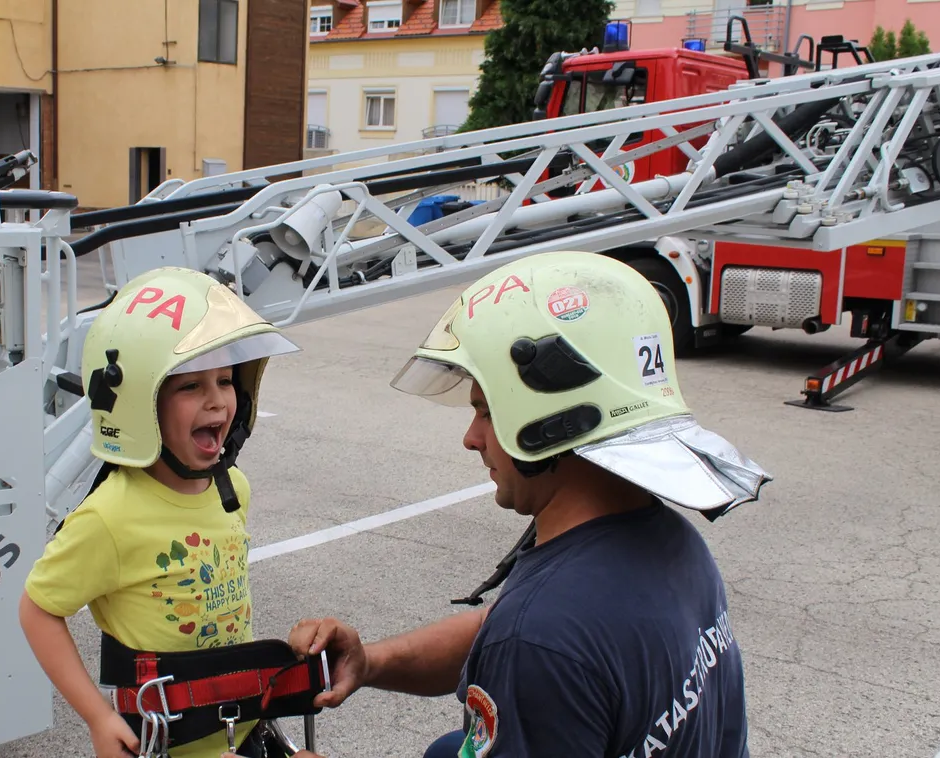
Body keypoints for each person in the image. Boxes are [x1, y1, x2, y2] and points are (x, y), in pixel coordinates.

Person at [281, 251, 771, 758]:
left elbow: (529, 640)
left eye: (487, 411)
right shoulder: (669, 539)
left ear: (554, 419)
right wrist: (372, 662)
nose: (471, 439)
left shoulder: (541, 635)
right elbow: (507, 630)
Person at [18, 266, 302, 758]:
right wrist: (97, 717)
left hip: (243, 733)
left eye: (225, 380)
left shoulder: (232, 488)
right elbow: (38, 610)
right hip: (163, 743)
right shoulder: (110, 516)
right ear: (138, 406)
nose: (217, 400)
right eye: (190, 386)